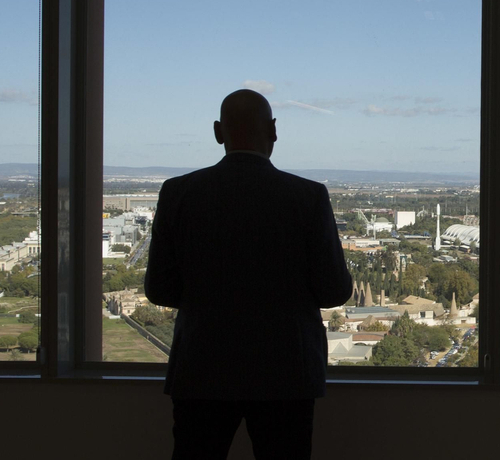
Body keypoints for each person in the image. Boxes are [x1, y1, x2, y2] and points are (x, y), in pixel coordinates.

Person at [145, 89, 353, 459]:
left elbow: (159, 289)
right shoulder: (308, 197)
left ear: (217, 132)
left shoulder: (178, 193)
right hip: (287, 371)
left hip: (201, 367)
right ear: (273, 131)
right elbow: (334, 291)